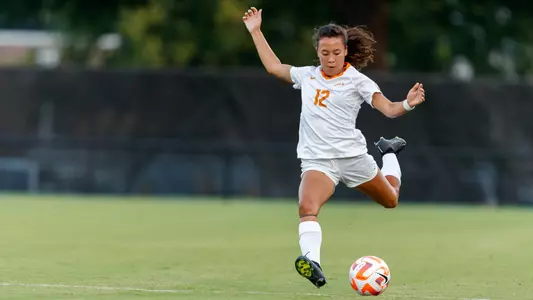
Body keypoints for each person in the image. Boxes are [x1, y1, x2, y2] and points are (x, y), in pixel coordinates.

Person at [242, 7, 425, 288]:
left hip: (353, 159)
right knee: (307, 207)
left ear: (345, 51)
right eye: (325, 53)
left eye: (336, 53)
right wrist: (256, 30)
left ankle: (388, 153)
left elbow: (388, 109)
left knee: (391, 200)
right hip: (318, 162)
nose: (330, 58)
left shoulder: (358, 81)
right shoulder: (308, 76)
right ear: (317, 51)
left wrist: (409, 103)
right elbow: (274, 67)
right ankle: (312, 262)